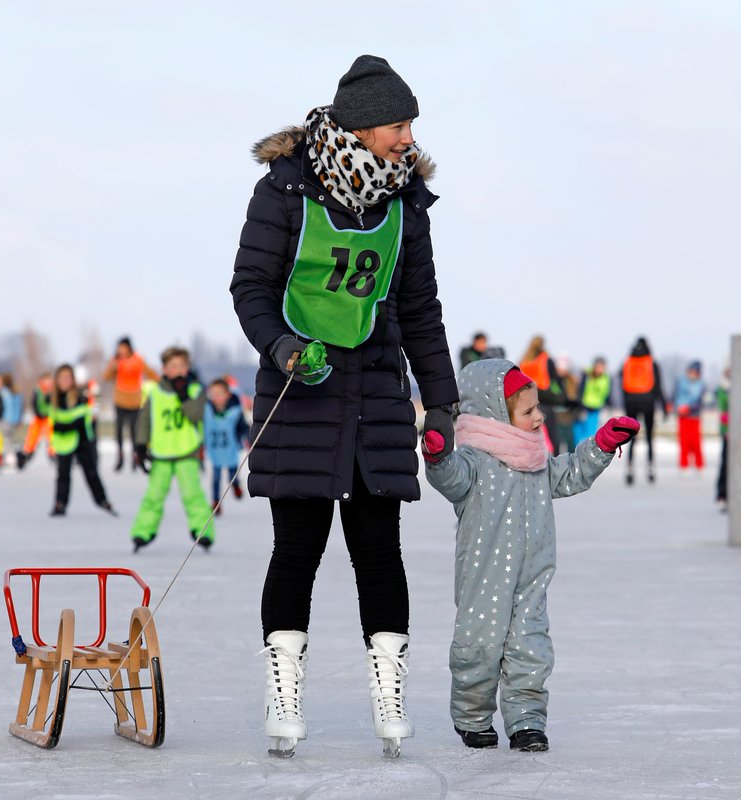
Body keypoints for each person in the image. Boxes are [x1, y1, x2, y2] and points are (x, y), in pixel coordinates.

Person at [230, 54, 457, 758]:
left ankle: (390, 705)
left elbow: (421, 312)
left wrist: (441, 403)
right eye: (397, 123)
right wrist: (282, 348)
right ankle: (283, 697)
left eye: (410, 122)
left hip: (378, 400)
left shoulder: (405, 206)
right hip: (300, 395)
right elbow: (251, 289)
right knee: (296, 551)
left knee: (379, 554)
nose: (408, 136)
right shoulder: (285, 191)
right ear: (361, 129)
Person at [423, 360, 637, 752]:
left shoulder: (536, 463)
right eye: (528, 411)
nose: (540, 417)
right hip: (484, 579)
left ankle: (526, 721)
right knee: (479, 648)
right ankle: (472, 718)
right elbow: (449, 477)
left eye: (538, 408)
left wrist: (602, 446)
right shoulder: (474, 461)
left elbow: (570, 472)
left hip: (533, 577)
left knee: (531, 650)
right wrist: (437, 457)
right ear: (495, 417)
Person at [130, 348, 211, 551]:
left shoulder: (195, 391)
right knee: (153, 496)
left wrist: (183, 395)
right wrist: (141, 446)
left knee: (193, 494)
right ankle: (143, 531)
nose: (178, 371)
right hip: (161, 453)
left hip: (187, 451)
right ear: (164, 369)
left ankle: (203, 531)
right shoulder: (155, 393)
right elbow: (144, 421)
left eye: (182, 366)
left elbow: (196, 415)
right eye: (173, 366)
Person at [48, 363, 115, 517]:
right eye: (62, 378)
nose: (65, 381)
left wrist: (67, 424)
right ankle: (60, 503)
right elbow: (53, 422)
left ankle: (102, 500)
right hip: (63, 442)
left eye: (67, 378)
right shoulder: (54, 399)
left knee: (91, 472)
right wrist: (64, 426)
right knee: (63, 474)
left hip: (81, 440)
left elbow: (84, 416)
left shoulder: (80, 396)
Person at [104, 337, 158, 472]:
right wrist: (114, 365)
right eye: (118, 348)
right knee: (119, 432)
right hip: (120, 400)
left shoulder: (137, 359)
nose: (120, 350)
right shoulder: (116, 361)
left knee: (135, 432)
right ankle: (120, 458)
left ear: (128, 347)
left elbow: (149, 372)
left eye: (122, 347)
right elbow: (107, 376)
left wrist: (162, 381)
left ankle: (136, 458)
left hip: (134, 401)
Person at [620, 337, 667, 485]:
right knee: (649, 437)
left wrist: (625, 403)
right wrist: (664, 406)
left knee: (631, 437)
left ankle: (629, 468)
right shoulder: (651, 363)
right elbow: (658, 387)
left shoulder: (628, 362)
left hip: (631, 402)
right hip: (648, 402)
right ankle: (650, 468)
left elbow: (623, 385)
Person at [203, 378, 250, 514]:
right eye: (213, 394)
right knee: (216, 478)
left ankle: (235, 485)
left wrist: (247, 438)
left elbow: (243, 427)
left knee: (232, 474)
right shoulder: (208, 410)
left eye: (219, 394)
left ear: (227, 395)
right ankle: (216, 501)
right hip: (215, 449)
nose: (216, 397)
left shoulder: (235, 411)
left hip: (230, 449)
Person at [519, 335, 567, 454]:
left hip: (526, 401)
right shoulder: (545, 359)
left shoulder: (524, 360)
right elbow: (556, 378)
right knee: (552, 433)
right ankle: (556, 459)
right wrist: (563, 396)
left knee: (528, 432)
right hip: (544, 400)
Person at [17, 373, 55, 469]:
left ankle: (53, 453)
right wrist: (37, 412)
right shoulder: (37, 391)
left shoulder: (53, 391)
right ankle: (28, 452)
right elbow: (33, 402)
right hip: (38, 417)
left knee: (51, 435)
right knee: (33, 434)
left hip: (49, 416)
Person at [673, 361, 706, 472]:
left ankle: (699, 465)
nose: (692, 374)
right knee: (684, 442)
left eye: (694, 372)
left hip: (694, 417)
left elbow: (701, 401)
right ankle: (684, 465)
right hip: (682, 416)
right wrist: (676, 407)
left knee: (696, 442)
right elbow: (675, 396)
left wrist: (690, 409)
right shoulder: (681, 382)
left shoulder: (701, 385)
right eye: (691, 371)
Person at [573, 356, 610, 445]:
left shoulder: (606, 378)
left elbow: (607, 393)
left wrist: (607, 405)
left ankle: (586, 452)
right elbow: (580, 389)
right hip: (584, 406)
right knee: (578, 431)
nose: (600, 369)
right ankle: (575, 450)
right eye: (598, 366)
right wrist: (579, 405)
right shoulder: (586, 374)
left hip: (596, 408)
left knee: (590, 433)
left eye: (602, 367)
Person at [714, 365, 730, 510]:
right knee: (725, 463)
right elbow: (723, 408)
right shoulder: (723, 388)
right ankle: (722, 495)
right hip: (728, 432)